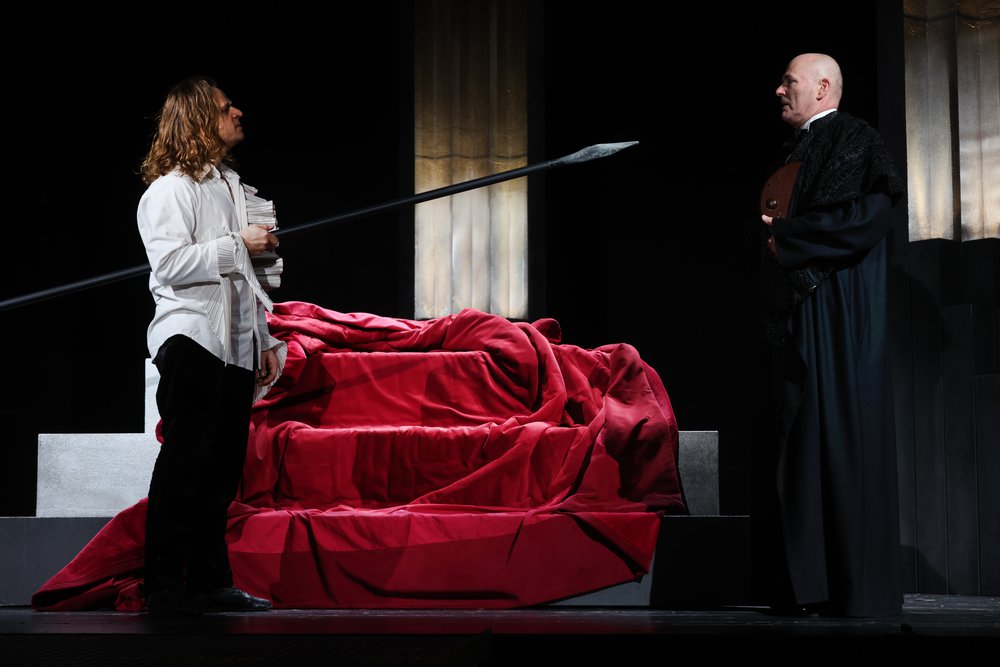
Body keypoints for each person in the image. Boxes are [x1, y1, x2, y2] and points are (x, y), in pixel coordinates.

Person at [756, 53, 904, 617]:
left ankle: (852, 588)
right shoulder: (795, 148)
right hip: (799, 309)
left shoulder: (855, 138)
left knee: (842, 433)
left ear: (822, 88)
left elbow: (866, 220)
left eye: (788, 82)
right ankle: (809, 587)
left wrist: (790, 237)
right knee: (803, 438)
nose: (779, 90)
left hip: (839, 308)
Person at [137, 76, 285, 614]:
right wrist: (236, 243)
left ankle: (208, 581)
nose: (237, 112)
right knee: (186, 462)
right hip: (192, 336)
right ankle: (163, 587)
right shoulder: (170, 190)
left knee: (221, 468)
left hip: (235, 344)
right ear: (199, 119)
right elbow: (171, 265)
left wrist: (262, 338)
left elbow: (247, 279)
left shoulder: (230, 186)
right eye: (225, 108)